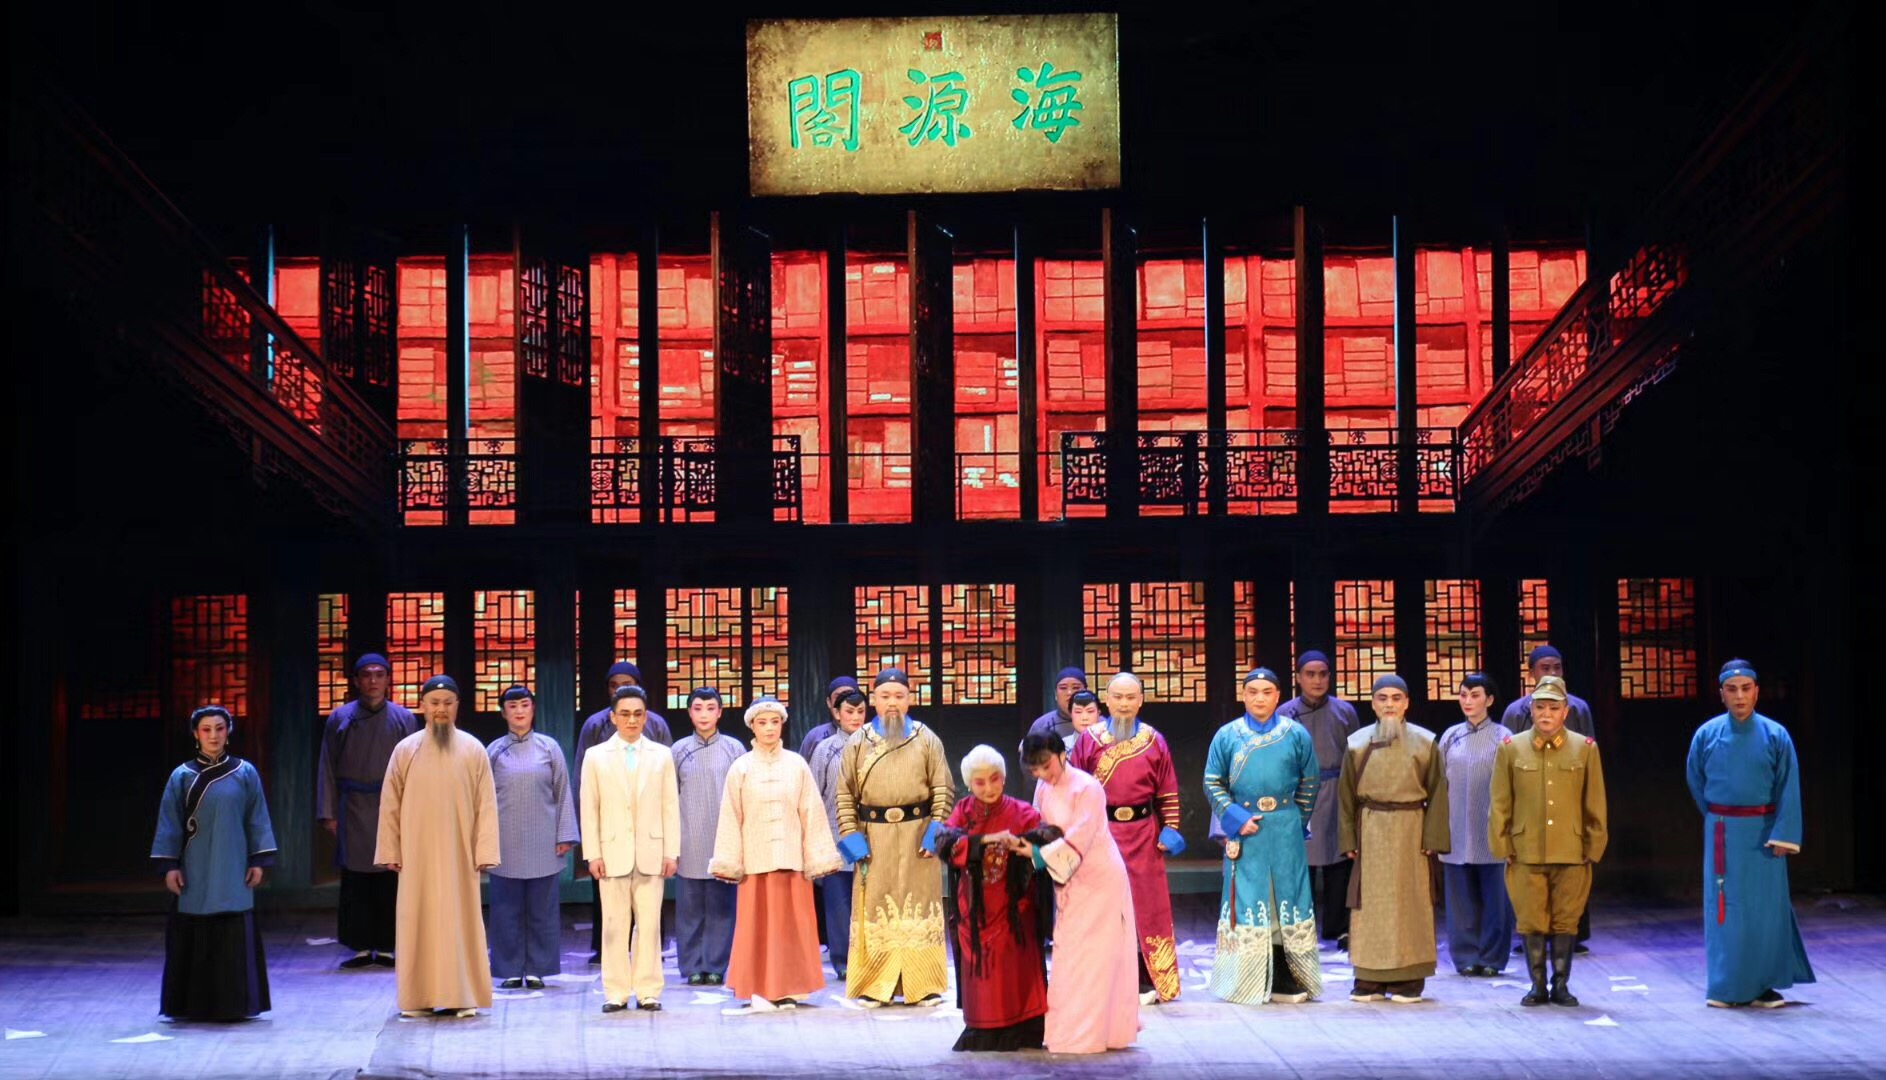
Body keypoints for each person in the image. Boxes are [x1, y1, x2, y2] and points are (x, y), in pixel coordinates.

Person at [1685, 660, 1814, 1009]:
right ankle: (1725, 986)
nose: (1739, 696)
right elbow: (1695, 779)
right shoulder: (1707, 735)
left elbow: (1788, 785)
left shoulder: (1775, 735)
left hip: (1765, 834)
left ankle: (1763, 986)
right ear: (1722, 694)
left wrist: (1783, 834)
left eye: (1745, 689)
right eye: (1732, 689)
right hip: (1724, 832)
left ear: (1756, 692)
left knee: (1765, 910)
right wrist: (1717, 816)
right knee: (1724, 908)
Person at [374, 675, 501, 1018]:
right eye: (434, 703)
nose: (441, 709)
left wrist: (485, 851)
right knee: (417, 920)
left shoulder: (473, 749)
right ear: (423, 707)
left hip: (461, 853)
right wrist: (390, 850)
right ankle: (418, 998)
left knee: (461, 921)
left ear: (457, 707)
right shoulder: (406, 750)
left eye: (447, 703)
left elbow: (486, 804)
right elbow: (390, 804)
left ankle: (463, 995)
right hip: (417, 853)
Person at [710, 698, 842, 1016]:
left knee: (792, 927)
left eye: (774, 722)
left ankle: (791, 986)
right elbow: (730, 816)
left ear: (782, 725)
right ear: (752, 726)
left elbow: (811, 812)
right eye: (762, 722)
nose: (769, 728)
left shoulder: (796, 765)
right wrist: (730, 860)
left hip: (791, 859)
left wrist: (818, 856)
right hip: (755, 862)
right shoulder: (741, 768)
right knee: (756, 927)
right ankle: (758, 985)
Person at [1013, 732, 1141, 1054]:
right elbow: (1041, 826)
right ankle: (1067, 1031)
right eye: (1035, 769)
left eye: (1045, 765)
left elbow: (1080, 837)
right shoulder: (1044, 787)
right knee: (1069, 953)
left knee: (1095, 957)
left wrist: (1037, 855)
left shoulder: (1087, 787)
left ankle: (1092, 1034)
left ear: (1061, 754)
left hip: (1098, 877)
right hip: (1067, 878)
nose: (1042, 774)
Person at [834, 668, 955, 1006]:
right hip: (873, 838)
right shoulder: (858, 742)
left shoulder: (926, 738)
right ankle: (874, 985)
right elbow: (844, 795)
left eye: (899, 696)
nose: (892, 703)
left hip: (919, 835)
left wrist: (935, 834)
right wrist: (852, 841)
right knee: (876, 908)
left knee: (921, 906)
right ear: (874, 700)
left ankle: (925, 984)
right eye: (885, 696)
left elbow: (943, 789)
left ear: (909, 699)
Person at [1203, 668, 1322, 1005]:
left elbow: (1310, 781)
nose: (1259, 698)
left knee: (1288, 895)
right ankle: (1247, 977)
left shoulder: (1295, 734)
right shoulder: (1227, 735)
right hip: (1246, 828)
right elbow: (1212, 781)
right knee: (1249, 898)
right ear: (1243, 695)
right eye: (1252, 692)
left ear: (1278, 696)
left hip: (1285, 826)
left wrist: (1295, 820)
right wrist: (1236, 819)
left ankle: (1286, 973)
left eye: (1267, 692)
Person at [151, 705, 278, 1021]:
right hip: (193, 869)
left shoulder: (245, 773)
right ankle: (192, 1006)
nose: (213, 736)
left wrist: (258, 861)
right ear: (195, 734)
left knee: (232, 931)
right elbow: (169, 823)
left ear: (228, 732)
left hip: (233, 867)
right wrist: (170, 866)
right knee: (193, 931)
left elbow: (257, 818)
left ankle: (234, 1005)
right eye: (206, 729)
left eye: (219, 728)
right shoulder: (181, 776)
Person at [1490, 675, 1608, 1007]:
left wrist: (1593, 847)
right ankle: (1537, 985)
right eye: (1540, 707)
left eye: (1553, 708)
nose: (1546, 714)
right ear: (1531, 710)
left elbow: (1595, 802)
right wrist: (1503, 845)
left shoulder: (1585, 748)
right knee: (1531, 919)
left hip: (1571, 850)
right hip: (1525, 850)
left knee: (1566, 919)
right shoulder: (1511, 748)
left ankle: (1561, 985)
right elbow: (1500, 802)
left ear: (1565, 711)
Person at [1067, 672, 1183, 1004]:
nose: (1124, 704)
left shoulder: (1154, 740)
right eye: (1117, 697)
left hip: (1144, 833)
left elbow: (1167, 790)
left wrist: (1171, 827)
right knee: (1101, 906)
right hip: (1101, 834)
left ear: (1141, 701)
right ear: (1107, 699)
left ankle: (1147, 977)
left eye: (1131, 697)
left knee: (1147, 906)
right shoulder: (1088, 740)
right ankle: (1101, 978)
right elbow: (1074, 790)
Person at [1337, 674, 1450, 1004]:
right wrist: (1348, 839)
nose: (1389, 704)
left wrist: (1433, 837)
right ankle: (1369, 978)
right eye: (1382, 698)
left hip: (1411, 830)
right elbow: (1346, 797)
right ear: (1373, 704)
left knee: (1411, 902)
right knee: (1370, 905)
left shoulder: (1425, 742)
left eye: (1396, 698)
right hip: (1371, 830)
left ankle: (1409, 979)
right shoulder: (1356, 743)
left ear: (1406, 703)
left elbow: (1438, 793)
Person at [933, 745, 1050, 1051]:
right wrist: (985, 840)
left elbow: (1047, 846)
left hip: (1014, 909)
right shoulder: (963, 811)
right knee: (981, 975)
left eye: (994, 779)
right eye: (980, 782)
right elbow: (943, 843)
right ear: (969, 784)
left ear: (1004, 778)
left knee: (1015, 970)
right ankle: (983, 1030)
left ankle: (1021, 1030)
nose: (988, 788)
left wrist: (1024, 845)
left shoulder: (1023, 812)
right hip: (975, 910)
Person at [580, 685, 680, 1013]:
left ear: (646, 717)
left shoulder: (661, 755)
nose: (631, 720)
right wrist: (592, 853)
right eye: (624, 714)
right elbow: (589, 807)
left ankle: (648, 990)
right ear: (613, 717)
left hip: (651, 850)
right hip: (612, 852)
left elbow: (670, 805)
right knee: (614, 925)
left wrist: (671, 851)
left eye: (637, 714)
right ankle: (616, 991)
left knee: (649, 925)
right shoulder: (596, 756)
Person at [315, 653, 418, 968]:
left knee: (389, 874)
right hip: (353, 807)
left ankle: (387, 946)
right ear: (357, 680)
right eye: (367, 675)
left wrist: (412, 810)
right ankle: (359, 946)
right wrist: (328, 811)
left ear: (388, 680)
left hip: (392, 805)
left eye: (379, 674)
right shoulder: (340, 718)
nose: (373, 680)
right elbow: (327, 766)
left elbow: (414, 768)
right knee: (355, 876)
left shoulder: (404, 718)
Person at [572, 660, 671, 961]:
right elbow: (583, 782)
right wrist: (588, 840)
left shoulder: (655, 725)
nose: (620, 689)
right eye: (614, 685)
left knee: (649, 904)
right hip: (611, 825)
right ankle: (606, 952)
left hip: (648, 825)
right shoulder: (595, 724)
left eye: (626, 684)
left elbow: (668, 783)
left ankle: (650, 954)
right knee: (608, 900)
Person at [484, 685, 578, 990]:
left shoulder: (549, 748)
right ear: (503, 713)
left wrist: (565, 835)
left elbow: (562, 791)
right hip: (505, 841)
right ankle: (510, 968)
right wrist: (484, 842)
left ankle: (538, 968)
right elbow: (482, 800)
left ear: (533, 709)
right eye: (512, 706)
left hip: (543, 839)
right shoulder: (493, 751)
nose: (519, 711)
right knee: (506, 910)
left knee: (542, 910)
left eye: (524, 705)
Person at [1276, 650, 1360, 949]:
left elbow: (1356, 754)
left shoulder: (1344, 711)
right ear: (1298, 678)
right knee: (1301, 862)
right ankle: (1302, 926)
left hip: (1337, 790)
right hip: (1300, 793)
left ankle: (1338, 928)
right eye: (1310, 674)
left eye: (1323, 674)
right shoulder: (1284, 713)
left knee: (1340, 860)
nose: (1317, 680)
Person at [1438, 673, 1514, 978]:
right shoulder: (1450, 736)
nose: (1468, 701)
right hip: (1457, 829)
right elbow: (1438, 783)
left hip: (1491, 830)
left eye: (1475, 695)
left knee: (1497, 901)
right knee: (1460, 901)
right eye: (1463, 695)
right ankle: (1466, 957)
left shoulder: (1504, 737)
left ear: (1490, 700)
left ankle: (1492, 958)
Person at [673, 687, 746, 986]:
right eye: (698, 708)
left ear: (720, 712)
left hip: (724, 839)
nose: (704, 715)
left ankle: (716, 965)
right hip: (688, 839)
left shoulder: (734, 749)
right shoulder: (678, 751)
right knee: (689, 909)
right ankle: (692, 966)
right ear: (689, 712)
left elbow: (744, 795)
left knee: (721, 908)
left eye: (710, 708)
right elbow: (669, 798)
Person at [808, 686, 871, 980]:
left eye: (860, 712)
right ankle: (843, 960)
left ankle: (870, 957)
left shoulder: (877, 744)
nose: (855, 717)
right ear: (836, 713)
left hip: (871, 836)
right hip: (835, 836)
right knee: (839, 902)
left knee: (868, 898)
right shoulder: (825, 749)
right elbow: (813, 795)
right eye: (849, 712)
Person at [798, 676, 863, 759]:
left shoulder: (869, 736)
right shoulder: (815, 736)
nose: (842, 702)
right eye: (838, 697)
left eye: (849, 696)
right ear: (829, 702)